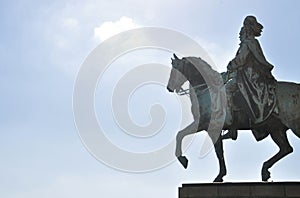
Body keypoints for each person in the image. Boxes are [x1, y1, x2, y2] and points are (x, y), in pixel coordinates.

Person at [224, 16, 277, 140]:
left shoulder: (248, 43)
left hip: (249, 77)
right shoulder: (252, 42)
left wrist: (231, 65)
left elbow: (241, 60)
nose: (240, 34)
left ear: (246, 30)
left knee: (227, 89)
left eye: (242, 32)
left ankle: (230, 123)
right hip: (250, 75)